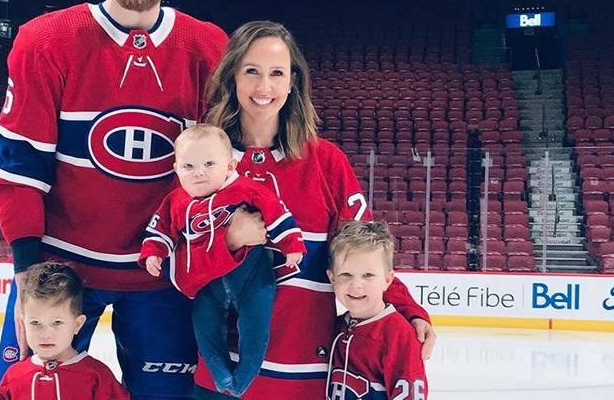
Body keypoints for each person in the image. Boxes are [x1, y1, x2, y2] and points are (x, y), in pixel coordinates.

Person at [0, 0, 238, 398]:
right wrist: (27, 272)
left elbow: (225, 173)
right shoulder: (46, 40)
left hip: (161, 271)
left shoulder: (208, 48)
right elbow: (18, 168)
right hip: (60, 270)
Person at [196, 20, 437, 399]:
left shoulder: (326, 162)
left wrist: (409, 311)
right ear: (232, 78)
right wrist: (227, 242)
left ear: (292, 82)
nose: (264, 87)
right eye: (251, 72)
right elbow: (181, 268)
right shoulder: (203, 163)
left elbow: (364, 250)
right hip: (222, 376)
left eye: (276, 73)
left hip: (305, 374)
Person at [140, 123, 305, 396]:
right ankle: (221, 375)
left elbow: (276, 212)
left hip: (252, 277)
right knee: (204, 328)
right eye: (188, 166)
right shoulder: (175, 201)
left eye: (208, 163)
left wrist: (291, 243)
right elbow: (159, 228)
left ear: (229, 167)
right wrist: (153, 252)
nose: (199, 172)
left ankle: (243, 379)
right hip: (209, 284)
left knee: (255, 328)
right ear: (176, 169)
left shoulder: (246, 189)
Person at [0, 262, 130, 400]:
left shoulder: (97, 376)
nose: (45, 334)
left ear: (77, 325)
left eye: (57, 323)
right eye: (35, 323)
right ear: (23, 323)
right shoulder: (14, 376)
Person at [325, 221, 428, 400]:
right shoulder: (338, 326)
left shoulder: (398, 335)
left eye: (368, 275)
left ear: (388, 280)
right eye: (346, 275)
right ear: (332, 277)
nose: (356, 285)